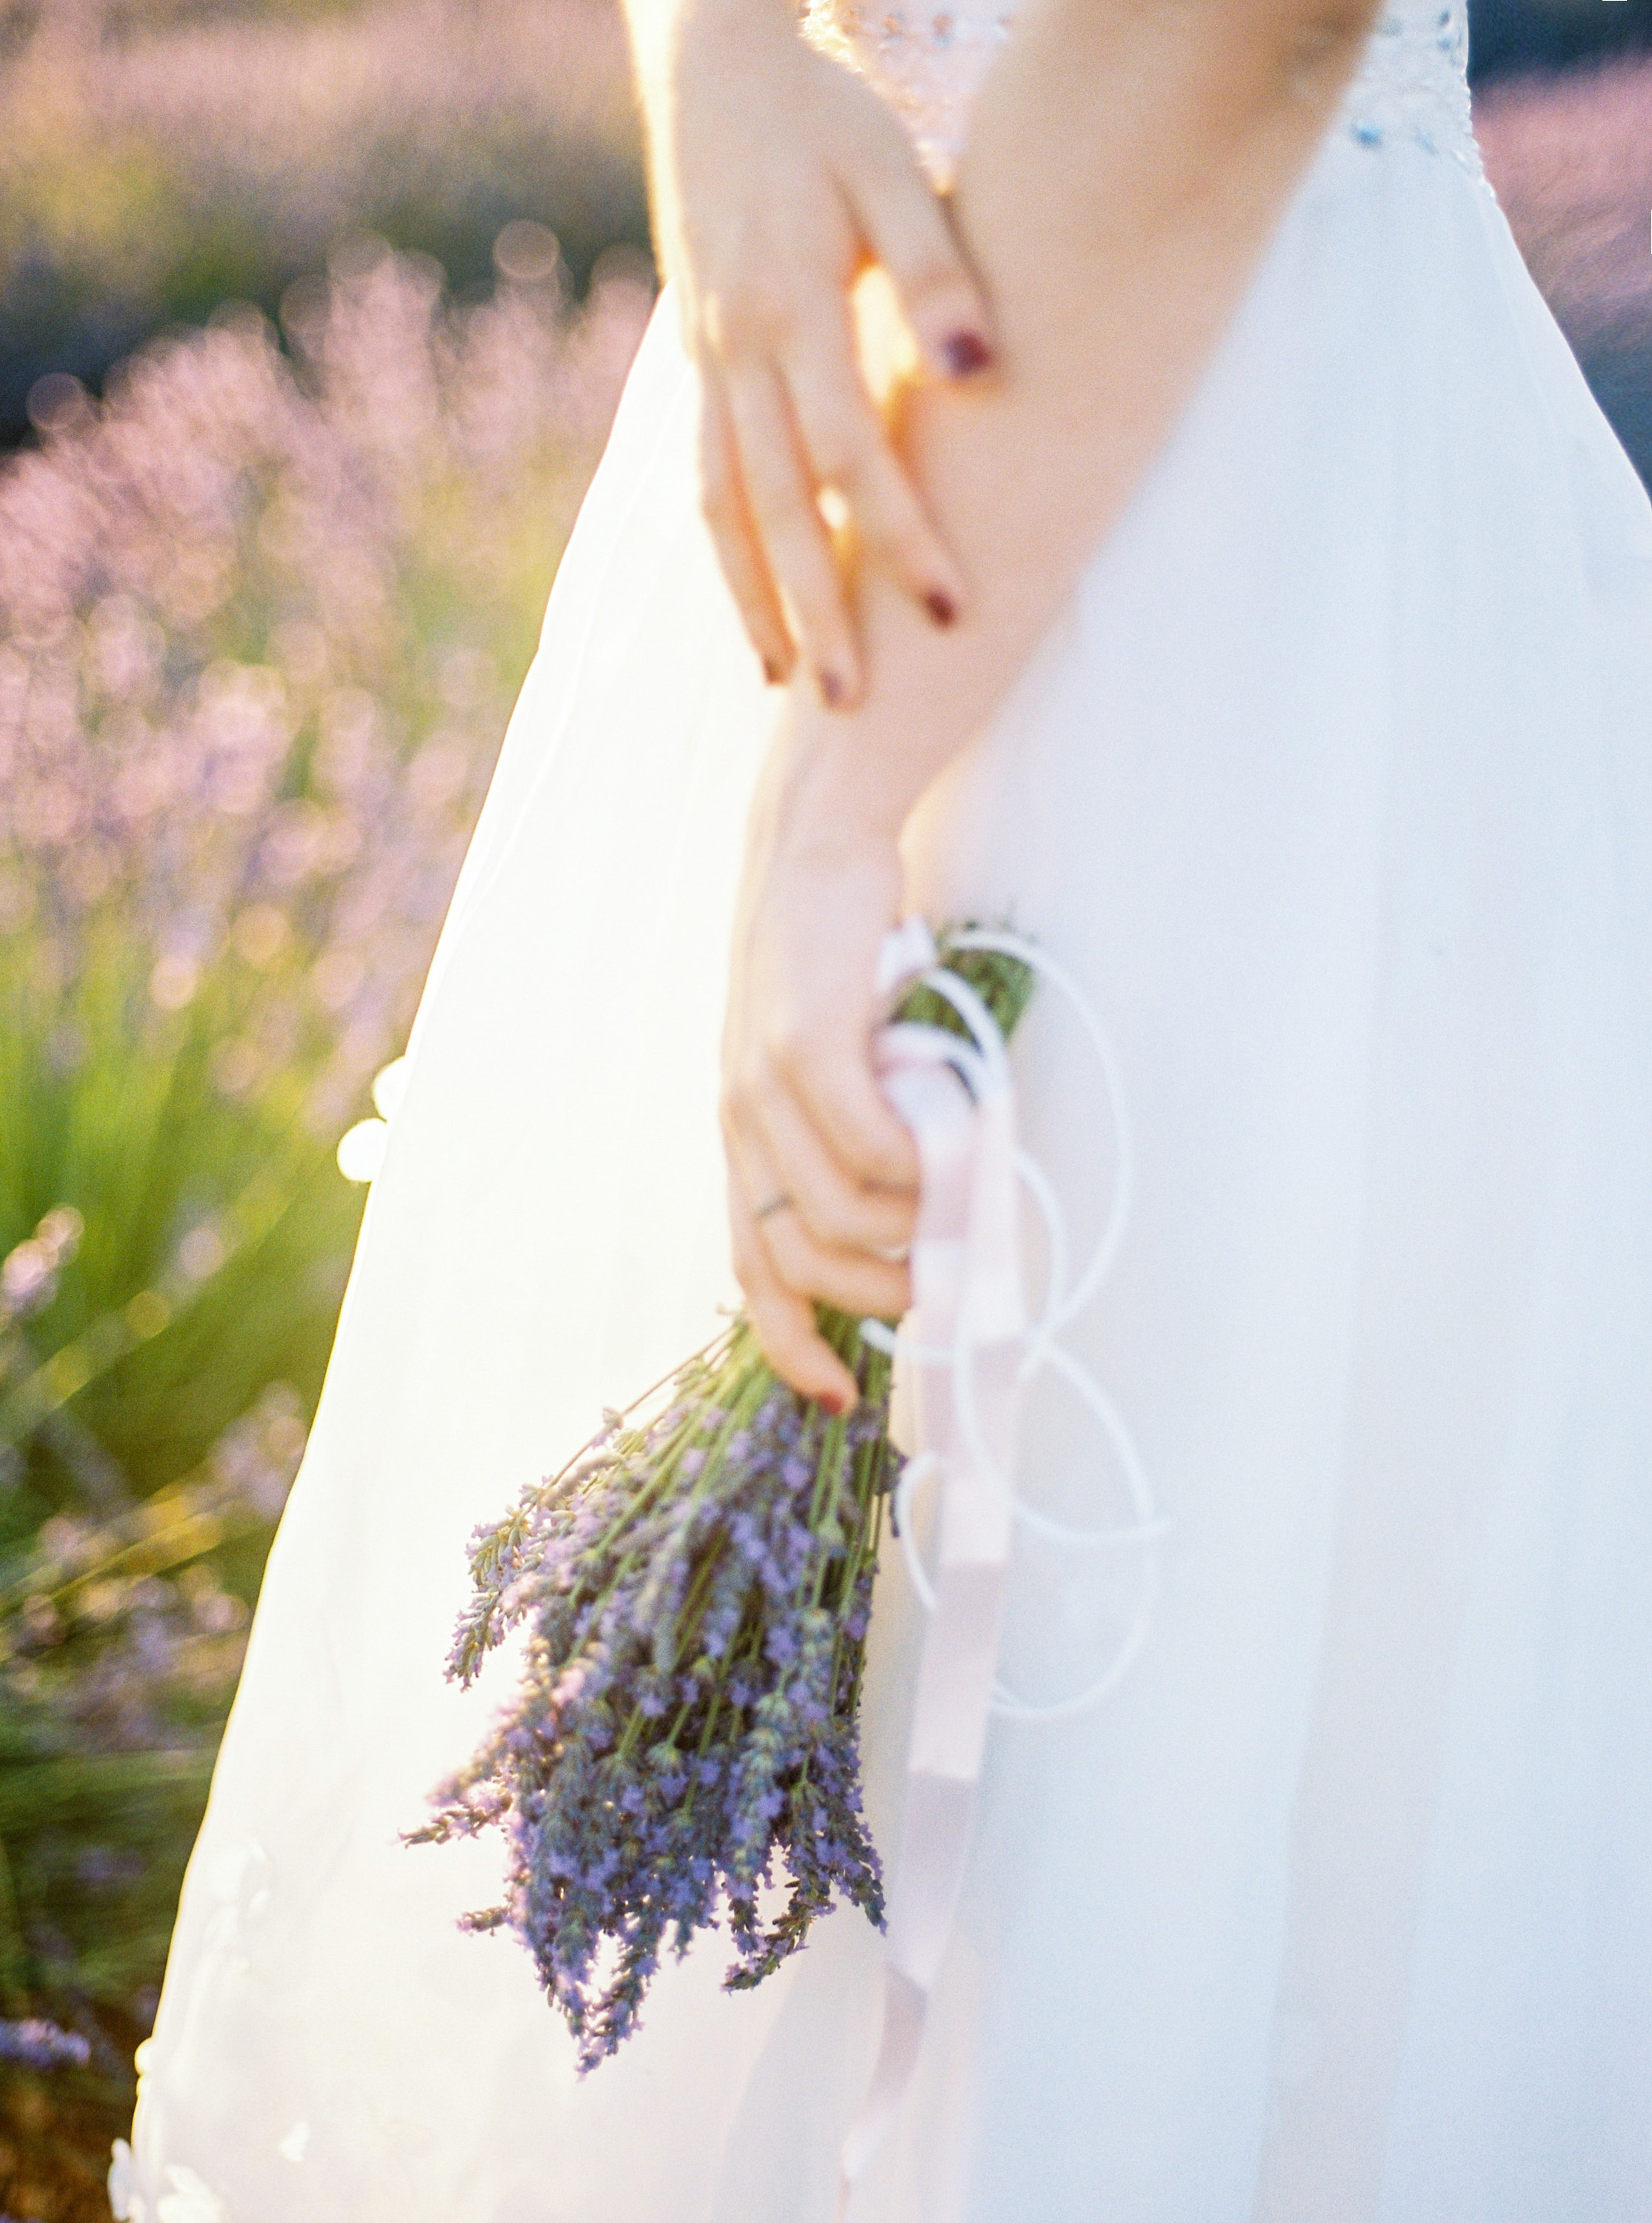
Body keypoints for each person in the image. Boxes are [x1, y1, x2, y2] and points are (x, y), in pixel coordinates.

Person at [113, 0, 1652, 2211]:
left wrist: (842, 796)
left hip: (1232, 529)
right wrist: (716, 60)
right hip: (802, 443)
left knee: (1166, 1739)